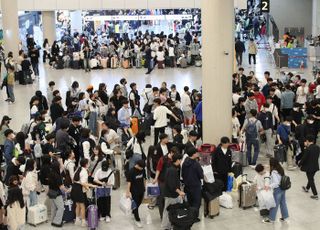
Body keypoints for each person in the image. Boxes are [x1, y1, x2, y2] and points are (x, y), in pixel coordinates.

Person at [161, 153, 184, 230]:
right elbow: (172, 185)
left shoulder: (173, 167)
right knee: (168, 211)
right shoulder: (172, 170)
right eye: (180, 159)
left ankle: (170, 226)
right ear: (177, 160)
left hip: (173, 194)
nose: (181, 161)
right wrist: (180, 192)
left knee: (171, 211)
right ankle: (166, 227)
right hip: (170, 194)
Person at [71, 159, 97, 227]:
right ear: (86, 164)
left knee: (77, 205)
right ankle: (83, 221)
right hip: (80, 189)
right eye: (88, 163)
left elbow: (74, 179)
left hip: (74, 188)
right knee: (82, 206)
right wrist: (91, 186)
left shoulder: (78, 169)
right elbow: (83, 183)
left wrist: (88, 186)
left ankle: (77, 220)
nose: (89, 164)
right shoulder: (84, 171)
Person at [263, 158, 289, 223]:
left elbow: (276, 183)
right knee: (283, 203)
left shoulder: (274, 172)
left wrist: (269, 186)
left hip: (278, 189)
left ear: (272, 164)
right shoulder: (280, 169)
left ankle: (271, 219)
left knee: (274, 204)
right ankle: (285, 217)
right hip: (283, 188)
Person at [182, 147, 203, 221]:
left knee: (190, 201)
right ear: (194, 154)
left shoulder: (185, 162)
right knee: (196, 202)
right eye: (197, 153)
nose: (198, 154)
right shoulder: (196, 164)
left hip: (187, 185)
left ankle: (189, 216)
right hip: (195, 185)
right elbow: (201, 175)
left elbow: (183, 174)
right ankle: (194, 217)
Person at [48, 160, 70, 227]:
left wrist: (61, 162)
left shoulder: (51, 173)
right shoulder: (57, 176)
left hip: (51, 192)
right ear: (57, 167)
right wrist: (68, 190)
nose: (60, 166)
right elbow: (61, 187)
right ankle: (57, 222)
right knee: (61, 207)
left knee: (53, 207)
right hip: (57, 193)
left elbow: (62, 168)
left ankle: (53, 220)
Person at [126, 160, 146, 228]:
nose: (142, 169)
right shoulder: (131, 171)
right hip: (134, 191)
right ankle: (137, 219)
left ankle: (134, 211)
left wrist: (145, 187)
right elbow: (129, 182)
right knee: (136, 205)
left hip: (141, 190)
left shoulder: (143, 169)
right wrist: (128, 192)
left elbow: (144, 178)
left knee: (139, 203)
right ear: (137, 165)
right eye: (141, 167)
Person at [299, 135, 320, 200]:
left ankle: (315, 194)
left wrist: (299, 164)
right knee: (311, 178)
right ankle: (307, 188)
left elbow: (304, 158)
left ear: (307, 141)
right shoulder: (317, 147)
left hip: (309, 168)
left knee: (311, 180)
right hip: (315, 166)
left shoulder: (308, 149)